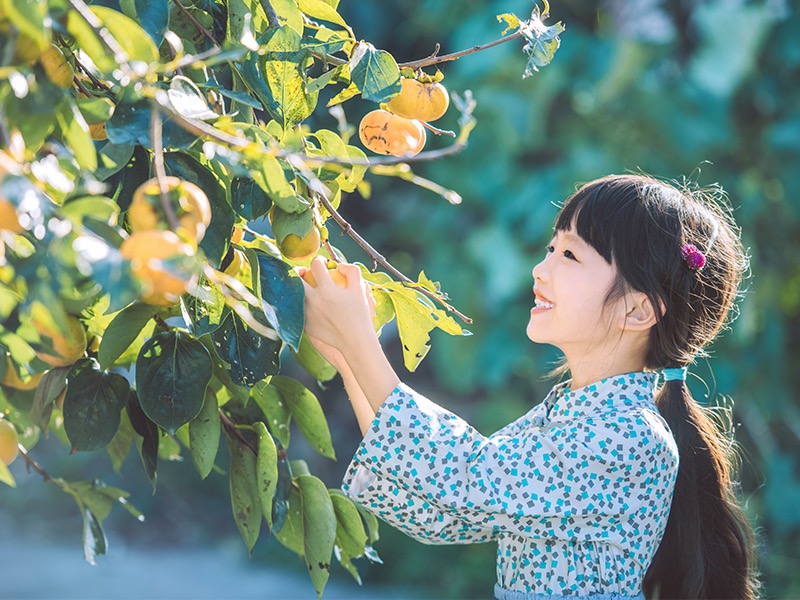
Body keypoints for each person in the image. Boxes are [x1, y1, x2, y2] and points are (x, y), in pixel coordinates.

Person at [296, 174, 761, 600]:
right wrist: (348, 359)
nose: (541, 269)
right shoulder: (572, 413)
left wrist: (361, 345)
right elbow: (447, 513)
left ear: (638, 311)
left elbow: (461, 476)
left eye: (571, 255)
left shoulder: (629, 437)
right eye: (551, 249)